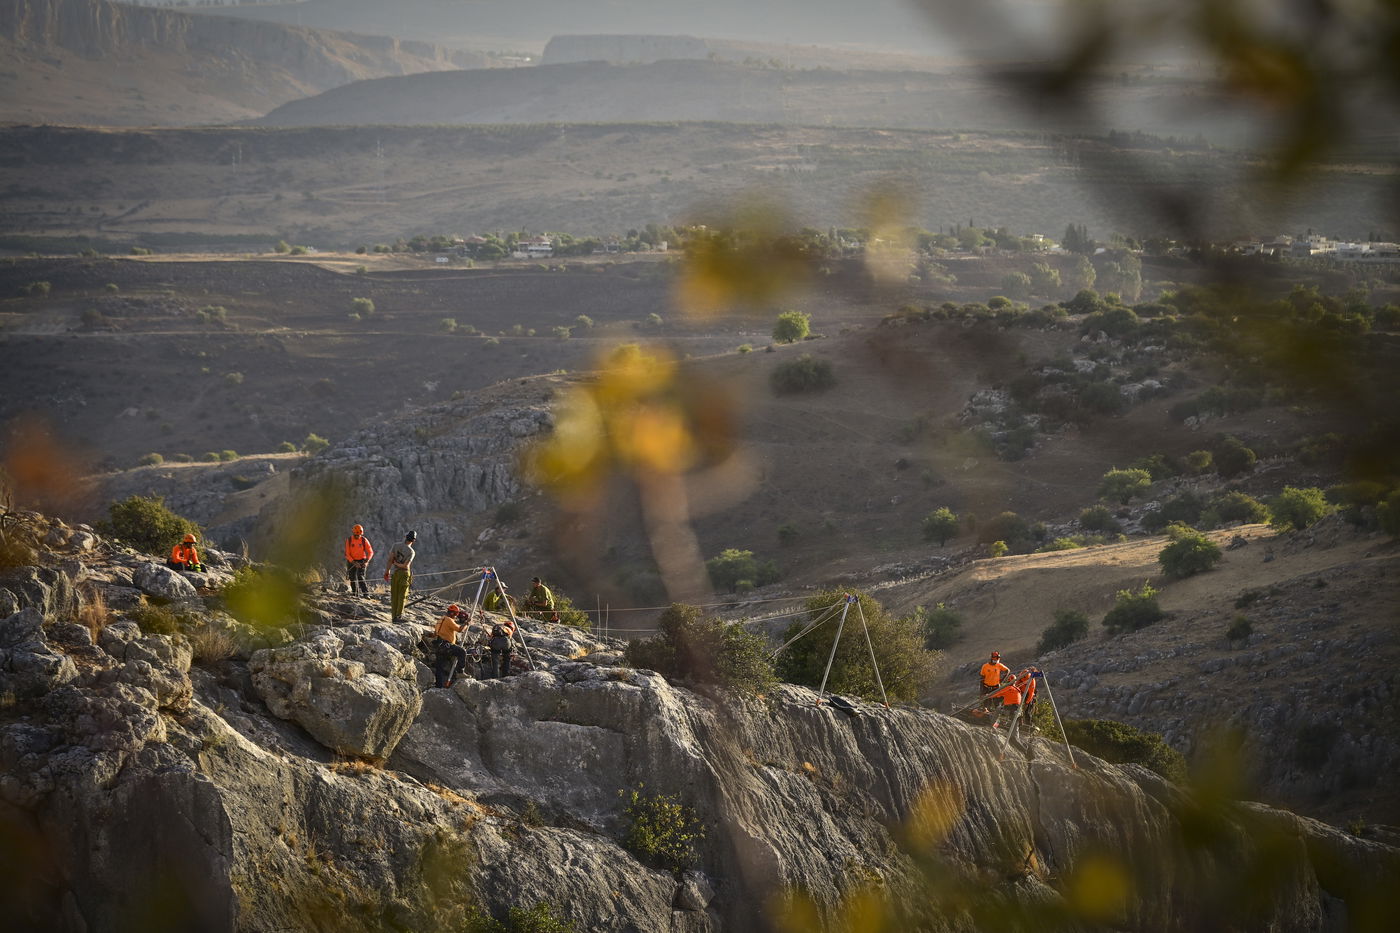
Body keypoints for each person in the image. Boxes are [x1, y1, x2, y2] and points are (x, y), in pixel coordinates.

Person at [431, 604, 470, 688]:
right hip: (447, 646)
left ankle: (439, 686)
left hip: (439, 646)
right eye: (456, 614)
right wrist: (466, 624)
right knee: (462, 652)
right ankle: (460, 672)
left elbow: (435, 633)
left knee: (440, 668)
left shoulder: (440, 620)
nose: (456, 617)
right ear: (453, 613)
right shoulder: (449, 620)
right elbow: (460, 629)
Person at [383, 530, 416, 623]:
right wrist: (398, 564)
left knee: (394, 595)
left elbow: (390, 559)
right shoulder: (411, 552)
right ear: (413, 541)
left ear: (405, 537)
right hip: (404, 574)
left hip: (395, 573)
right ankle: (398, 616)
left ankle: (394, 617)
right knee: (402, 595)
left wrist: (387, 571)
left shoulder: (395, 545)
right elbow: (406, 566)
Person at [344, 524, 374, 596]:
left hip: (362, 561)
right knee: (352, 577)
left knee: (360, 576)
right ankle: (355, 593)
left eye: (359, 535)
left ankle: (366, 594)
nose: (357, 536)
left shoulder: (364, 540)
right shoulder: (349, 540)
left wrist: (366, 561)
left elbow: (370, 552)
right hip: (352, 561)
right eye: (356, 535)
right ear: (353, 533)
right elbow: (347, 554)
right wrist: (354, 562)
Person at [484, 614, 516, 679]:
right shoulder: (509, 630)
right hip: (505, 642)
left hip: (496, 642)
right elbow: (510, 640)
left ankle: (495, 677)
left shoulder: (498, 627)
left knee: (495, 660)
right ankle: (506, 675)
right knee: (507, 658)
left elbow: (491, 637)